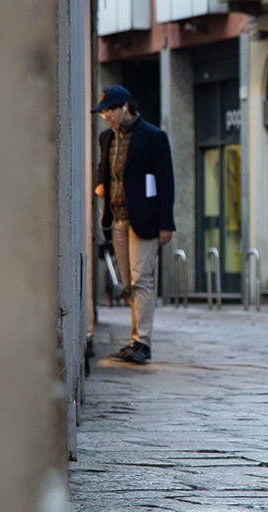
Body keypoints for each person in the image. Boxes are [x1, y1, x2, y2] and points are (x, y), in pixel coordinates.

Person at [92, 85, 175, 364]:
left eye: (109, 111)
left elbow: (166, 183)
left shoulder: (153, 137)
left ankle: (142, 343)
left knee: (142, 279)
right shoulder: (107, 138)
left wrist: (166, 224)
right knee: (128, 283)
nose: (106, 117)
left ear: (125, 107)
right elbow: (103, 168)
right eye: (103, 113)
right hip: (118, 219)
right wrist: (99, 185)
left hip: (145, 221)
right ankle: (133, 341)